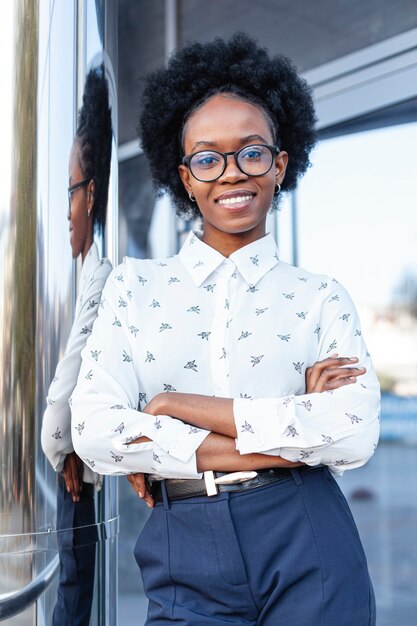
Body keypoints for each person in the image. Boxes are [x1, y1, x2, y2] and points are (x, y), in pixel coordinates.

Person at [71, 34, 380, 625]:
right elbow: (93, 429)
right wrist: (295, 429)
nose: (232, 173)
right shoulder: (134, 288)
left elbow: (355, 432)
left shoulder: (319, 297)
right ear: (185, 176)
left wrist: (172, 408)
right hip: (184, 542)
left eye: (252, 152)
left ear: (280, 164)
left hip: (308, 535)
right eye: (208, 158)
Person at [41, 64, 112, 626]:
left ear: (90, 194)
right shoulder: (88, 269)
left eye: (67, 193)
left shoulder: (103, 272)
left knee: (71, 591)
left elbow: (76, 364)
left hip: (78, 469)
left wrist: (59, 442)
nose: (64, 212)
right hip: (77, 461)